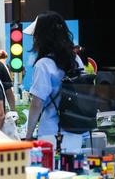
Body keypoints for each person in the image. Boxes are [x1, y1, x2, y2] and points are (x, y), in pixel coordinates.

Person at [25, 12, 85, 152]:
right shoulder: (75, 59)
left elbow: (37, 103)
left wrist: (28, 135)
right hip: (75, 130)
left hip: (52, 132)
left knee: (50, 166)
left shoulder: (44, 64)